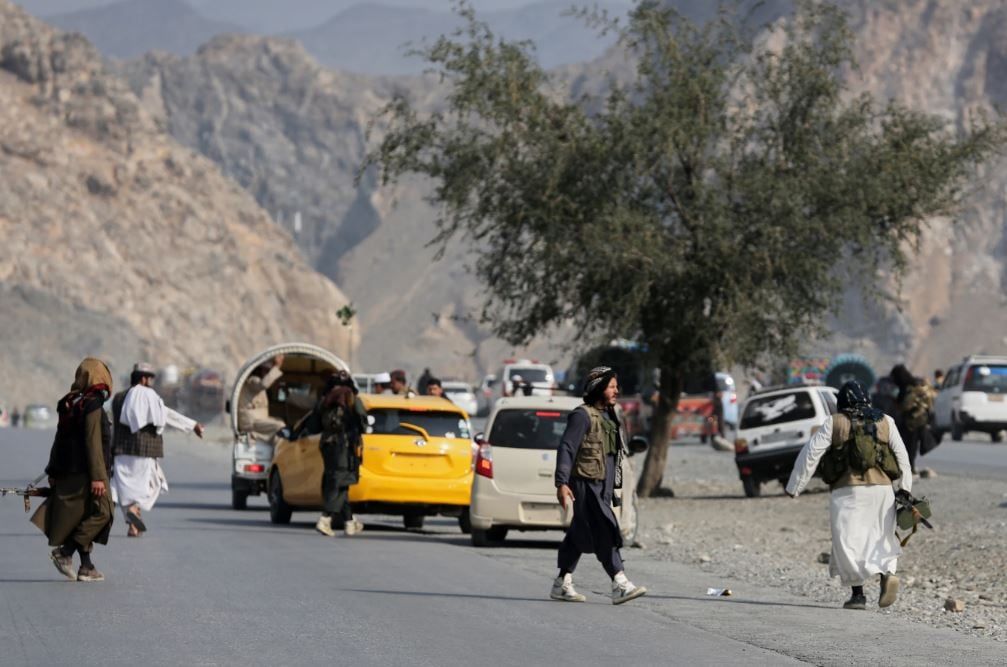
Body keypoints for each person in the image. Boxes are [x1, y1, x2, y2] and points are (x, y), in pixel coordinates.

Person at [786, 381, 912, 610]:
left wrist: (795, 486)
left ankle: (858, 595)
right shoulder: (885, 421)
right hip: (882, 492)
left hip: (847, 492)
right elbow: (902, 457)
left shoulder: (834, 422)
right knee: (882, 537)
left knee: (848, 541)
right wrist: (905, 488)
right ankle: (887, 574)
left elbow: (811, 453)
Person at [552, 366, 647, 605]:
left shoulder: (609, 416)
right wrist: (561, 483)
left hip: (602, 487)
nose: (616, 391)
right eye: (611, 387)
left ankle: (562, 582)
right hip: (585, 485)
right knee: (605, 530)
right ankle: (619, 583)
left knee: (580, 532)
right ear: (598, 388)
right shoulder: (582, 416)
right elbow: (567, 448)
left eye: (616, 386)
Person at [33, 358, 115, 582]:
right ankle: (65, 552)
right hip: (89, 472)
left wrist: (53, 470)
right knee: (104, 512)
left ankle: (86, 567)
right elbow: (93, 442)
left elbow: (59, 439)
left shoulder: (69, 402)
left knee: (82, 514)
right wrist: (98, 477)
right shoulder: (92, 404)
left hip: (68, 470)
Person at [110, 363, 204, 537]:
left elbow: (110, 423)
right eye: (150, 379)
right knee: (150, 485)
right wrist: (192, 425)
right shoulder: (150, 396)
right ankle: (134, 512)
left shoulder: (118, 398)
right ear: (143, 379)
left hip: (120, 451)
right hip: (145, 451)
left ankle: (133, 524)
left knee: (124, 489)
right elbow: (167, 415)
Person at [315, 372, 368, 537]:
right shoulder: (351, 398)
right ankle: (325, 518)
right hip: (344, 446)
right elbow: (363, 423)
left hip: (326, 444)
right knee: (340, 482)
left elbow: (314, 423)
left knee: (338, 481)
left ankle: (350, 521)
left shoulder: (325, 400)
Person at [890, 364, 932, 473]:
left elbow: (903, 405)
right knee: (911, 446)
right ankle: (909, 467)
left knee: (907, 445)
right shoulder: (915, 385)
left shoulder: (906, 388)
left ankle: (908, 468)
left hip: (911, 422)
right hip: (919, 421)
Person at [237, 354, 286, 442]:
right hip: (251, 422)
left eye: (268, 370)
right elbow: (263, 384)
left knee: (280, 421)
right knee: (280, 426)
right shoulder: (252, 380)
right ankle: (280, 449)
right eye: (265, 370)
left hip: (258, 420)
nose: (267, 373)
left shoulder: (258, 384)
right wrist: (277, 367)